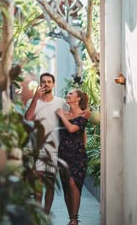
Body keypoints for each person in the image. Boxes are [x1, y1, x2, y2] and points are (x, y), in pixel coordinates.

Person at [24, 72, 68, 214]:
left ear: (53, 84)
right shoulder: (34, 102)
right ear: (40, 84)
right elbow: (28, 118)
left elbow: (70, 118)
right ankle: (38, 214)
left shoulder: (61, 102)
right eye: (44, 81)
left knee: (50, 183)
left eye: (49, 81)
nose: (46, 84)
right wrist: (35, 98)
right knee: (38, 182)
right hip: (39, 148)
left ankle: (46, 213)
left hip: (55, 148)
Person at [55, 89, 89, 225]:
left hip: (78, 156)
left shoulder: (84, 114)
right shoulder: (64, 113)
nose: (67, 95)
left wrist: (61, 115)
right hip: (63, 155)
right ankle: (71, 219)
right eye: (68, 94)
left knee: (73, 183)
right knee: (66, 187)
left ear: (78, 98)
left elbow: (72, 129)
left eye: (71, 94)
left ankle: (74, 218)